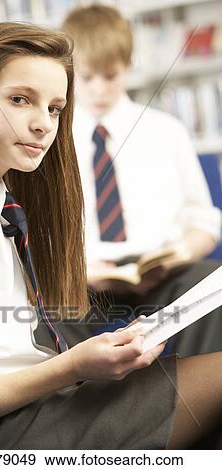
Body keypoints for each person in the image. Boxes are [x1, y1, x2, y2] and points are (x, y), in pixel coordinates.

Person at [0, 21, 222, 452]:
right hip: (15, 429)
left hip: (44, 399)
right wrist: (73, 366)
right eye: (20, 100)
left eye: (55, 108)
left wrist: (79, 365)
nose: (44, 124)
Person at [61, 5, 222, 357]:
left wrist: (176, 256)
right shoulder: (49, 140)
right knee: (45, 309)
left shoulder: (167, 131)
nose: (99, 89)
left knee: (212, 285)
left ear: (128, 66)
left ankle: (197, 397)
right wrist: (78, 272)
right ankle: (76, 405)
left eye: (110, 75)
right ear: (68, 72)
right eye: (86, 78)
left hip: (161, 272)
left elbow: (205, 222)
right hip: (82, 278)